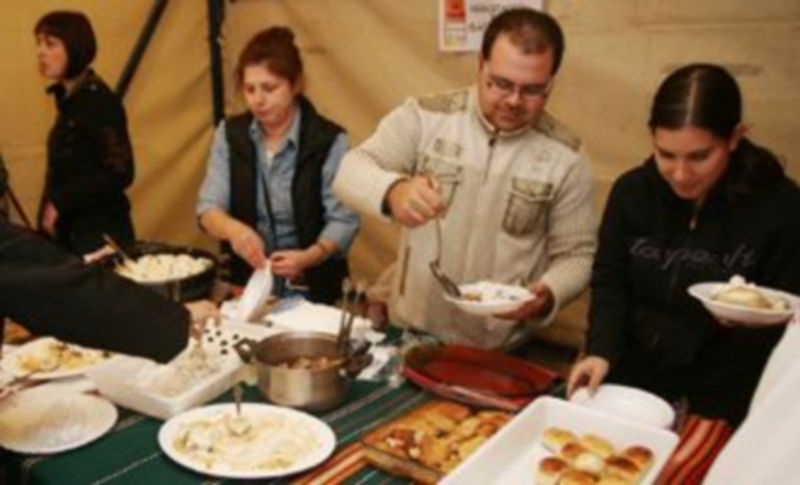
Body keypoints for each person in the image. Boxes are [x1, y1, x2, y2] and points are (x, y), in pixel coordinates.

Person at [332, 8, 596, 350]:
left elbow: (577, 255)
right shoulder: (426, 118)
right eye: (501, 84)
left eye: (533, 90)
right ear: (480, 65)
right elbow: (348, 171)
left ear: (551, 82)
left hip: (500, 348)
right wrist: (393, 191)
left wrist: (549, 293)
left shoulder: (567, 157)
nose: (514, 101)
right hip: (414, 334)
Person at [568, 64, 800, 427]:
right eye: (666, 154)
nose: (680, 174)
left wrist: (752, 321)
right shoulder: (632, 192)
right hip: (631, 385)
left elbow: (787, 305)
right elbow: (611, 279)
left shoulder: (780, 207)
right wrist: (601, 350)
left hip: (725, 396)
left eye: (699, 157)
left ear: (735, 137)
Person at [197, 27, 358, 304]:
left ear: (295, 85)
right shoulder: (231, 135)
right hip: (250, 285)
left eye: (269, 88)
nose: (258, 100)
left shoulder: (328, 140)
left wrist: (309, 257)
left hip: (314, 288)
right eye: (250, 89)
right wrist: (234, 230)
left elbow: (343, 220)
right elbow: (208, 209)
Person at [34, 11, 136, 256]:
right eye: (38, 43)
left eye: (50, 44)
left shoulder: (98, 101)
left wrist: (60, 202)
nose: (40, 52)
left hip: (99, 239)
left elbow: (121, 173)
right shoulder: (70, 100)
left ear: (74, 47)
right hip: (72, 237)